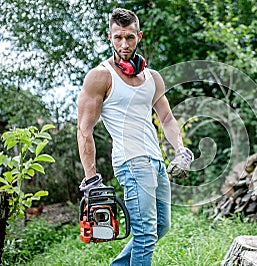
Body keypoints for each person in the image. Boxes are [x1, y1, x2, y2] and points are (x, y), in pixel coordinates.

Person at [76, 8, 193, 266]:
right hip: (131, 161)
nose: (124, 44)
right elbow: (84, 129)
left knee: (161, 226)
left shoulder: (152, 77)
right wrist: (90, 177)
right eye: (118, 37)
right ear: (109, 37)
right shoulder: (100, 77)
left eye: (129, 37)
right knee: (145, 233)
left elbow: (167, 118)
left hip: (156, 161)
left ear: (138, 36)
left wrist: (181, 150)